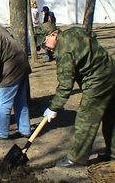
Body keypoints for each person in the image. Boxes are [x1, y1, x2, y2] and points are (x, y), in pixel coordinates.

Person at [35, 22, 115, 167]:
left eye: (44, 42)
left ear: (53, 34)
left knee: (86, 120)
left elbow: (65, 86)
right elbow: (92, 36)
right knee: (111, 115)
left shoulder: (63, 51)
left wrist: (54, 108)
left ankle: (77, 159)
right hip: (111, 71)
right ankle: (114, 153)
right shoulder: (74, 31)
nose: (44, 47)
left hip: (98, 81)